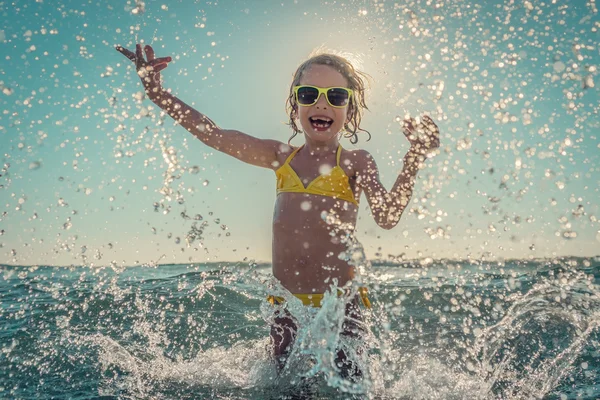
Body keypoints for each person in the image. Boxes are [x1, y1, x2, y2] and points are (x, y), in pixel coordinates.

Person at [116, 43, 440, 379]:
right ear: (295, 104)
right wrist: (157, 93)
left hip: (341, 305)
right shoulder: (280, 157)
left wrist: (414, 158)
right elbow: (212, 134)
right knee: (288, 386)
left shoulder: (355, 161)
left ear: (350, 109)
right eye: (309, 93)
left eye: (336, 97)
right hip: (287, 305)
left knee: (353, 384)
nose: (321, 103)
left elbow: (387, 216)